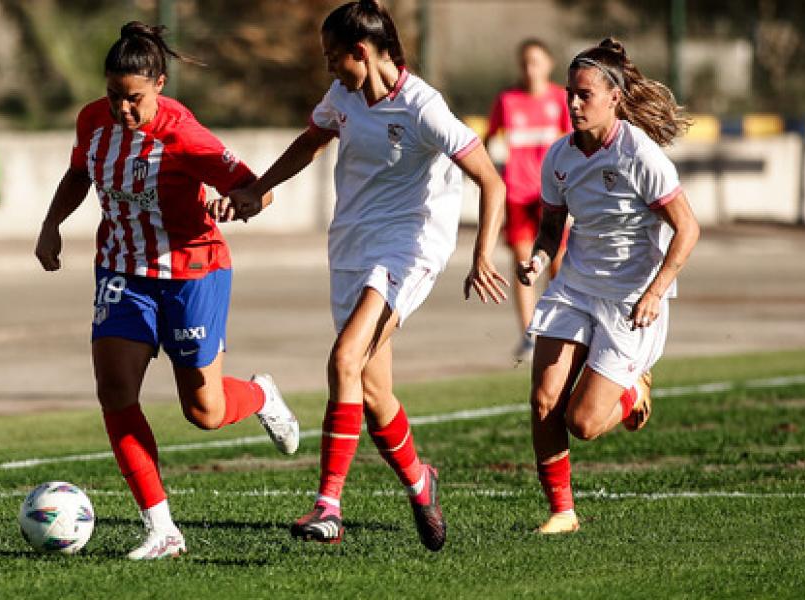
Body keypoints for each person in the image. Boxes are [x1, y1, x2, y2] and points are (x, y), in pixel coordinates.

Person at [218, 0, 508, 551]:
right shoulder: (344, 97)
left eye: (333, 56)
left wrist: (483, 255)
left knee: (344, 359)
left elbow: (490, 181)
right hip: (351, 244)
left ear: (362, 51)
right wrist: (258, 189)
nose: (327, 66)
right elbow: (310, 141)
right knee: (373, 393)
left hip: (410, 246)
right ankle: (421, 482)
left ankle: (329, 506)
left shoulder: (424, 107)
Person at [33, 21, 300, 560]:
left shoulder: (186, 135)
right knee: (115, 392)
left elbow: (256, 190)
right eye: (113, 96)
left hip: (193, 272)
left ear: (159, 84)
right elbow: (80, 174)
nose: (121, 110)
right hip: (122, 274)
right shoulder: (92, 121)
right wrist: (51, 224)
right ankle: (162, 528)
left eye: (133, 99)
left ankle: (262, 395)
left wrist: (241, 201)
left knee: (203, 410)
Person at [516, 38, 699, 534]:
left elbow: (688, 229)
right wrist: (537, 259)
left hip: (630, 300)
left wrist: (656, 292)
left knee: (585, 424)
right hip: (574, 287)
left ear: (614, 98)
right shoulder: (559, 156)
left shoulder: (641, 156)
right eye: (569, 94)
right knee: (543, 399)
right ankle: (562, 512)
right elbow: (552, 229)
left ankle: (634, 389)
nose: (573, 104)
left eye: (584, 95)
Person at [484, 39, 573, 362]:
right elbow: (487, 140)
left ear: (548, 64)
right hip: (518, 194)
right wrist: (492, 175)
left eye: (536, 61)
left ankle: (563, 325)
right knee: (524, 262)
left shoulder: (559, 100)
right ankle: (530, 333)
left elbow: (572, 141)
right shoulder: (507, 100)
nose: (530, 68)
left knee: (558, 260)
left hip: (551, 195)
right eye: (525, 62)